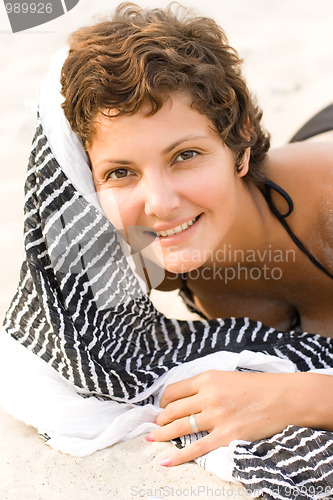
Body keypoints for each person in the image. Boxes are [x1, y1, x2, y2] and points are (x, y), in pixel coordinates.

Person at [1, 3, 333, 495]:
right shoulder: (132, 248)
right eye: (120, 172)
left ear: (239, 144)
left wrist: (303, 397)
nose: (159, 204)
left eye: (185, 156)